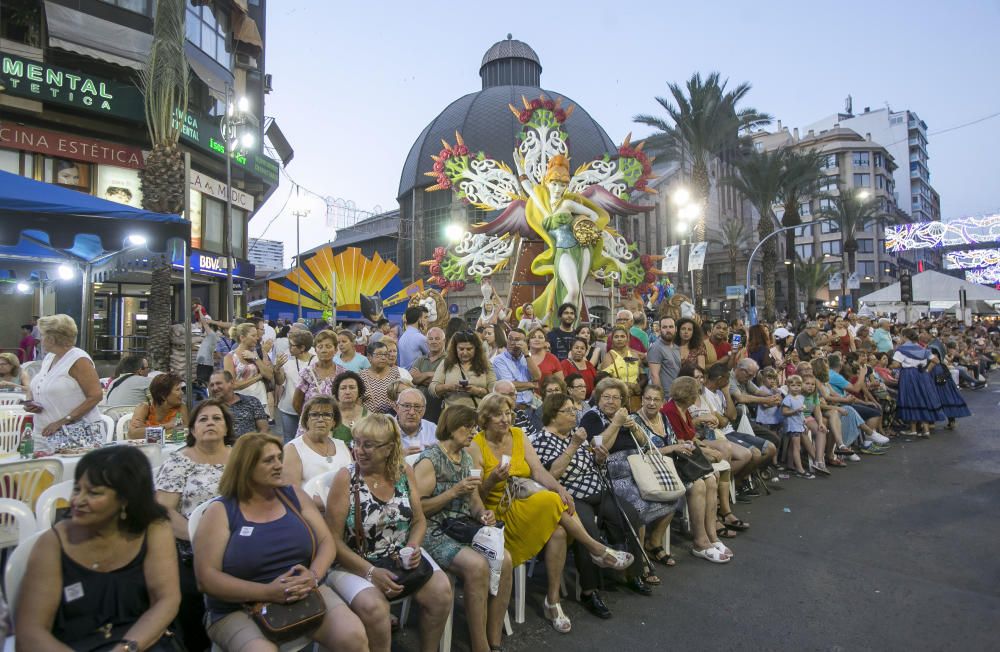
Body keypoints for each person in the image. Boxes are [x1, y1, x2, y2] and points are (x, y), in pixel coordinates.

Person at [470, 393, 633, 634]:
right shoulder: (476, 445)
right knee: (552, 501)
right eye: (497, 415)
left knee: (557, 525)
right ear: (485, 419)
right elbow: (476, 497)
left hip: (526, 500)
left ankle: (553, 601)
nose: (505, 420)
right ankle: (596, 549)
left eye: (507, 413)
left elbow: (537, 471)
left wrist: (559, 487)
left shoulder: (518, 435)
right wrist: (493, 479)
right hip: (498, 510)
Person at [193, 433, 366, 651]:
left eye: (278, 458)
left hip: (304, 591)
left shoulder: (292, 495)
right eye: (268, 460)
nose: (278, 466)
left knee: (353, 637)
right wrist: (266, 593)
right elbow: (206, 579)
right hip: (239, 606)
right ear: (245, 467)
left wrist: (313, 576)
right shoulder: (221, 511)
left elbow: (326, 541)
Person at [15, 446, 180, 651]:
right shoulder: (53, 543)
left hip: (139, 640)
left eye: (93, 493)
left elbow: (166, 600)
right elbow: (31, 631)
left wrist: (125, 648)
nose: (78, 501)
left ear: (125, 500)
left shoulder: (154, 529)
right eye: (77, 489)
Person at [325, 414, 453, 652]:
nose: (359, 451)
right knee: (376, 609)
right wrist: (371, 571)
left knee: (442, 592)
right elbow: (332, 541)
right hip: (354, 561)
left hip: (397, 558)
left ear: (389, 448)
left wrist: (414, 546)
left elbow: (418, 520)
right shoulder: (346, 478)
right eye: (357, 442)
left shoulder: (403, 472)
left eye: (368, 445)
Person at [534, 393, 651, 616]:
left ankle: (632, 573)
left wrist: (598, 458)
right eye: (567, 411)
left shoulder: (575, 435)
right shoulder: (542, 440)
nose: (573, 414)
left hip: (599, 490)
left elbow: (592, 464)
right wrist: (574, 446)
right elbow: (551, 474)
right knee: (587, 530)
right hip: (572, 496)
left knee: (628, 515)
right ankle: (589, 590)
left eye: (573, 410)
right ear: (552, 414)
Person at [414, 405, 513, 652]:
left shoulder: (466, 458)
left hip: (461, 526)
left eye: (473, 427)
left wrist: (483, 514)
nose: (472, 432)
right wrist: (453, 492)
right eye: (467, 427)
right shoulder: (430, 460)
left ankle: (495, 640)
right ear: (452, 427)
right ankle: (480, 646)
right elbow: (418, 511)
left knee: (506, 559)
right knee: (477, 566)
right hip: (433, 530)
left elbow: (475, 501)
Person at [155, 398, 234, 652]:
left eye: (216, 418)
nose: (210, 423)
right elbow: (164, 510)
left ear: (226, 427)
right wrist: (199, 537)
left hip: (241, 541)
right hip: (192, 549)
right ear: (192, 430)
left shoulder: (240, 457)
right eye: (203, 419)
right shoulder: (179, 462)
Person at [641, 380, 732, 563]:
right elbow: (647, 451)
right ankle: (700, 541)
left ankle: (712, 536)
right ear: (642, 399)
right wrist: (680, 447)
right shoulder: (654, 416)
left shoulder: (664, 416)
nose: (652, 403)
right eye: (648, 399)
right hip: (658, 466)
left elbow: (682, 440)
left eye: (656, 399)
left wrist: (686, 446)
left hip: (675, 460)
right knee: (698, 484)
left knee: (711, 480)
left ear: (661, 402)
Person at [25, 314, 103, 440]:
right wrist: (32, 402)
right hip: (44, 432)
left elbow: (96, 395)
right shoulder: (50, 357)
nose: (40, 339)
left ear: (52, 339)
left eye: (42, 335)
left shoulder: (79, 359)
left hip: (76, 434)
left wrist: (64, 421)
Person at [284, 396, 352, 506]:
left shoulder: (341, 445)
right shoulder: (293, 449)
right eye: (314, 415)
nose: (321, 419)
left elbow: (353, 481)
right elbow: (291, 494)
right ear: (306, 420)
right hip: (311, 515)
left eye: (327, 415)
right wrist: (329, 503)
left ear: (334, 421)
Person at [893, 328, 945, 438]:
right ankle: (925, 430)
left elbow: (896, 365)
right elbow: (936, 360)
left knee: (911, 399)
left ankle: (913, 429)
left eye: (902, 336)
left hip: (908, 375)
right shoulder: (921, 348)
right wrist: (927, 370)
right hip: (921, 374)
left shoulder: (901, 349)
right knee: (922, 399)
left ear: (905, 337)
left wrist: (890, 366)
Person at [430, 330, 496, 410]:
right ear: (455, 349)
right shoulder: (446, 363)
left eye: (469, 349)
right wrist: (448, 387)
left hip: (478, 413)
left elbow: (494, 390)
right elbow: (432, 388)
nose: (465, 353)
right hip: (452, 414)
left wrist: (477, 391)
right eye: (461, 349)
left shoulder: (486, 364)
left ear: (476, 349)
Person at [274, 328, 315, 441]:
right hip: (288, 408)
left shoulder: (316, 361)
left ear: (302, 348)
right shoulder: (287, 360)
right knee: (289, 439)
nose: (289, 348)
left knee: (309, 440)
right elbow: (280, 381)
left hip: (311, 410)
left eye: (292, 345)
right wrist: (277, 368)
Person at [293, 329, 345, 416]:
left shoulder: (342, 373)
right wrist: (308, 420)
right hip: (311, 425)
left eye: (328, 346)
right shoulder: (307, 373)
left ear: (335, 349)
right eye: (320, 347)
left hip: (335, 424)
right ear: (316, 350)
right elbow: (296, 403)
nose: (324, 350)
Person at [223, 322, 272, 407]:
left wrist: (255, 359)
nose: (257, 338)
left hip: (260, 402)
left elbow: (269, 375)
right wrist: (259, 377)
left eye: (256, 335)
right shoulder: (230, 357)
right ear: (242, 338)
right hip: (241, 404)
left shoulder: (256, 353)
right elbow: (233, 385)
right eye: (253, 336)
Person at [491, 328, 541, 410]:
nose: (512, 342)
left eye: (517, 340)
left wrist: (526, 354)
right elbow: (509, 385)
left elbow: (537, 377)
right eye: (510, 339)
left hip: (531, 405)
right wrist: (531, 385)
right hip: (512, 407)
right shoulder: (499, 360)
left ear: (524, 343)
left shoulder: (527, 357)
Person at [208, 370, 269, 438]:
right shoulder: (210, 408)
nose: (215, 388)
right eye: (212, 385)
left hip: (249, 446)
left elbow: (264, 429)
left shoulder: (252, 402)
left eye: (218, 383)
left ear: (231, 383)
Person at [128, 372, 190, 439]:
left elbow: (185, 432)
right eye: (177, 390)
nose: (182, 393)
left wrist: (146, 428)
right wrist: (167, 426)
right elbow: (132, 434)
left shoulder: (181, 407)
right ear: (163, 396)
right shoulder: (144, 407)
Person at [781, 375, 817, 478]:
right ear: (788, 386)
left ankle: (790, 465)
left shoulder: (801, 397)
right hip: (792, 425)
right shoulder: (788, 399)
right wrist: (795, 411)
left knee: (793, 446)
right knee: (796, 448)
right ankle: (800, 470)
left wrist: (804, 422)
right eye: (793, 385)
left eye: (798, 385)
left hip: (799, 424)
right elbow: (784, 412)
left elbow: (801, 413)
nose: (796, 387)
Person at [409, 326, 447, 421]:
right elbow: (413, 380)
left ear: (444, 341)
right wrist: (430, 375)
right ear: (427, 342)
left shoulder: (449, 360)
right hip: (419, 411)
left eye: (437, 339)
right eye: (430, 339)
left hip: (440, 410)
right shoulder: (420, 360)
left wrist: (421, 377)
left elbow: (445, 381)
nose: (433, 341)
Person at [601, 326, 643, 405]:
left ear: (627, 339)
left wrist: (637, 387)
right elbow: (604, 381)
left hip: (635, 398)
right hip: (616, 398)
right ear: (612, 340)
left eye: (622, 336)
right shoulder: (608, 357)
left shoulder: (634, 355)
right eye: (616, 337)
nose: (619, 339)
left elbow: (642, 376)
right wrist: (628, 385)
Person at [360, 340, 402, 414]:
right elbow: (358, 402)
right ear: (369, 357)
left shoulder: (395, 373)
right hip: (369, 420)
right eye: (379, 354)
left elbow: (401, 397)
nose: (383, 358)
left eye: (385, 354)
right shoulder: (362, 376)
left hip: (391, 419)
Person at [331, 371, 369, 443]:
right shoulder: (330, 415)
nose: (347, 392)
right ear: (337, 391)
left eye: (352, 388)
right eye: (343, 388)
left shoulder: (368, 416)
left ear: (359, 390)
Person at [647, 316, 680, 393]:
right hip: (666, 396)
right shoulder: (656, 348)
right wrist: (661, 397)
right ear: (660, 329)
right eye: (664, 327)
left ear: (676, 329)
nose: (668, 330)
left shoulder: (676, 347)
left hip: (677, 394)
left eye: (671, 327)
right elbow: (654, 375)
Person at [527, 326, 564, 392]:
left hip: (547, 398)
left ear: (545, 341)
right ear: (528, 341)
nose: (537, 339)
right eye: (533, 337)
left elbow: (560, 383)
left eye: (540, 337)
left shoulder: (552, 358)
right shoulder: (521, 357)